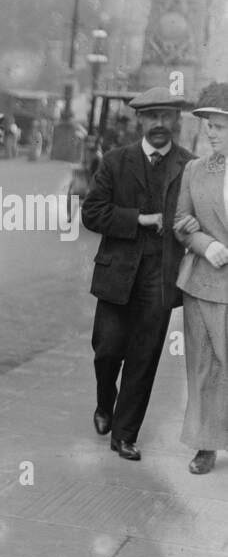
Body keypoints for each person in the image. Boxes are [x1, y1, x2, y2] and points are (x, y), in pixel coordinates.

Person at [81, 86, 194, 461]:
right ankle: (104, 402)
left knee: (144, 357)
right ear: (140, 120)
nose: (159, 123)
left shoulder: (188, 166)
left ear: (176, 120)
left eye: (166, 116)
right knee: (107, 350)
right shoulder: (115, 161)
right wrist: (140, 219)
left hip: (160, 277)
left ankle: (125, 435)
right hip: (116, 274)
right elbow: (92, 213)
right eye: (152, 117)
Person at [171, 82, 228, 474]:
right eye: (207, 125)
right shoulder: (195, 170)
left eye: (219, 126)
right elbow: (179, 223)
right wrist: (203, 242)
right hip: (205, 284)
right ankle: (205, 445)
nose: (210, 132)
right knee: (204, 367)